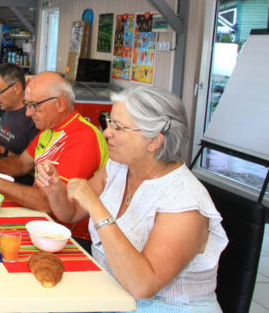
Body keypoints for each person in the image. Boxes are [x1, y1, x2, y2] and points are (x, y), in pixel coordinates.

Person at [36, 86, 227, 311]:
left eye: (118, 127)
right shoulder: (118, 167)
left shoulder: (185, 202)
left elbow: (142, 285)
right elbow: (70, 213)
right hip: (110, 293)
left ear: (154, 141)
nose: (107, 132)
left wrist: (96, 206)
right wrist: (55, 189)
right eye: (109, 122)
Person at [0, 71, 108, 249]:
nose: (28, 113)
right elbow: (21, 164)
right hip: (42, 222)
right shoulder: (48, 129)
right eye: (27, 105)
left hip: (69, 238)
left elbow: (50, 203)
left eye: (34, 106)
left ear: (60, 104)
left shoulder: (84, 137)